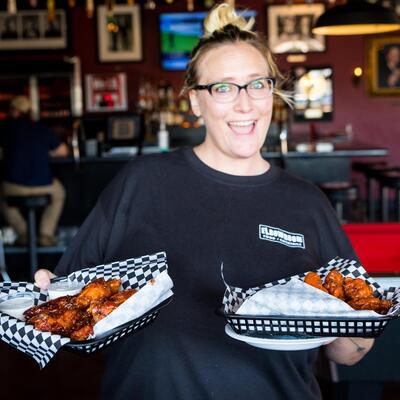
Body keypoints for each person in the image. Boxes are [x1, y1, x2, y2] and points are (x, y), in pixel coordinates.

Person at [35, 3, 374, 399]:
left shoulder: (307, 203)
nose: (245, 104)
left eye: (257, 84)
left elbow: (350, 349)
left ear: (272, 92)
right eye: (224, 88)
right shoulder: (142, 182)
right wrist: (52, 298)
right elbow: (72, 307)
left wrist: (352, 327)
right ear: (195, 101)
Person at [0, 95, 68, 246]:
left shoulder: (5, 129)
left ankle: (24, 233)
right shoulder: (41, 128)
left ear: (15, 111)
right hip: (44, 185)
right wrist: (47, 151)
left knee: (2, 197)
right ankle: (45, 234)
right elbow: (62, 151)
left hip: (14, 187)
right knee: (59, 193)